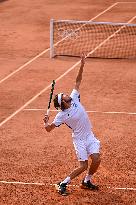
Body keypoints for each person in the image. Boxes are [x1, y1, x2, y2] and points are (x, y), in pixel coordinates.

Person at [43, 54, 101, 196]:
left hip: (89, 136)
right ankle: (62, 183)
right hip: (79, 140)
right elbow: (49, 129)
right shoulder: (61, 115)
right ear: (63, 102)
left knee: (97, 159)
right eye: (63, 96)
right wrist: (45, 123)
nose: (66, 94)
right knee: (83, 165)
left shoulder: (74, 98)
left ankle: (86, 181)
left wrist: (82, 65)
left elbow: (77, 81)